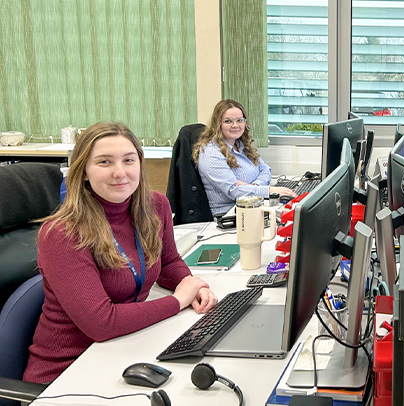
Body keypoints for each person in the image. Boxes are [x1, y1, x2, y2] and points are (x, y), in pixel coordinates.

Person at [24, 122, 218, 384]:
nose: (120, 173)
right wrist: (178, 301)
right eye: (105, 162)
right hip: (68, 373)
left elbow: (168, 260)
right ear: (83, 171)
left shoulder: (155, 206)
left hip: (127, 347)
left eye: (129, 160)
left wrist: (193, 285)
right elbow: (101, 323)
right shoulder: (63, 233)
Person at [194, 99, 296, 215]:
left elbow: (265, 170)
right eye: (228, 121)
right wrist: (269, 190)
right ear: (218, 124)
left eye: (240, 120)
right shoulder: (210, 153)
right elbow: (234, 190)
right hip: (229, 216)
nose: (235, 125)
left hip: (252, 208)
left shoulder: (240, 145)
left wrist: (253, 186)